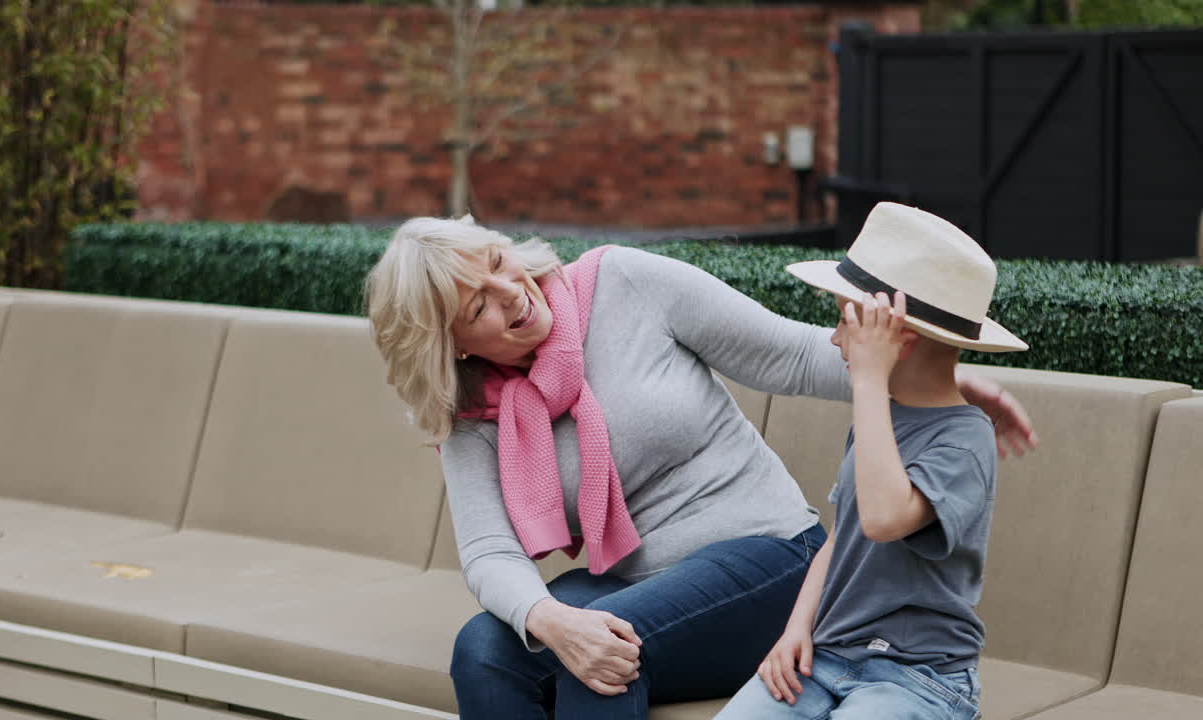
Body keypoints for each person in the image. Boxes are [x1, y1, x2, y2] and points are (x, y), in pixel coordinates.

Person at [364, 213, 1037, 720]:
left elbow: (795, 356)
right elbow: (487, 550)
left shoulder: (625, 282)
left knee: (608, 651)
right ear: (447, 346)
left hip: (770, 561)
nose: (510, 292)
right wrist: (547, 617)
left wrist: (951, 384)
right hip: (639, 586)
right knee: (485, 648)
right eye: (478, 304)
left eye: (498, 265)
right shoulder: (472, 409)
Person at [714, 202, 1028, 720]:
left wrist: (867, 379)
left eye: (845, 322)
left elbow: (885, 519)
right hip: (826, 657)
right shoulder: (879, 414)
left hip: (918, 679)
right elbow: (842, 538)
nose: (836, 338)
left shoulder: (966, 439)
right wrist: (796, 631)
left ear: (896, 340)